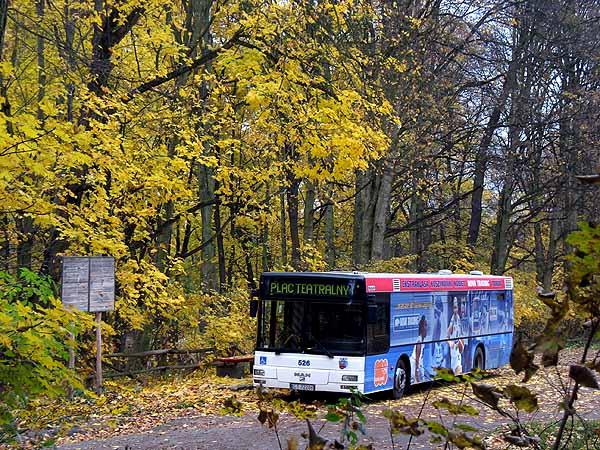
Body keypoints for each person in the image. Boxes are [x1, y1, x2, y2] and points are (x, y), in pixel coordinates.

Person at [447, 297, 464, 374]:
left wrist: (460, 342)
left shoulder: (459, 319)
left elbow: (462, 337)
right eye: (454, 308)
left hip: (457, 353)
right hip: (453, 351)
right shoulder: (452, 320)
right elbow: (447, 336)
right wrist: (450, 342)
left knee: (458, 371)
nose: (455, 310)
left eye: (456, 307)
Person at [410, 315, 428, 383]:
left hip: (419, 362)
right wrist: (417, 372)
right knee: (417, 381)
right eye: (425, 326)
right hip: (414, 363)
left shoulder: (423, 340)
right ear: (422, 328)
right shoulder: (419, 341)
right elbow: (417, 359)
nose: (427, 328)